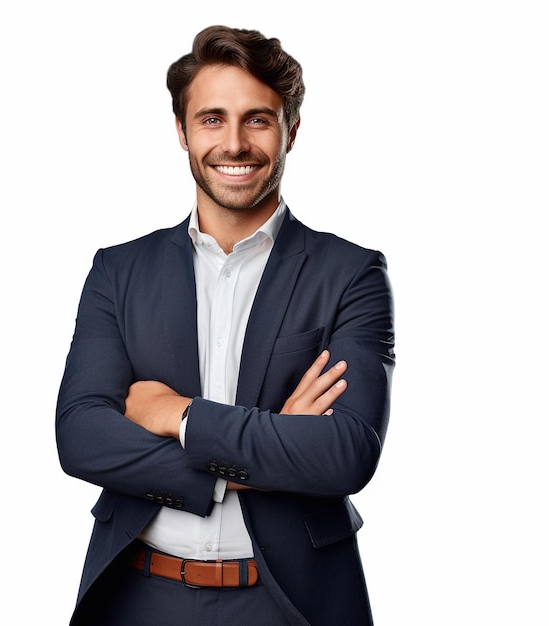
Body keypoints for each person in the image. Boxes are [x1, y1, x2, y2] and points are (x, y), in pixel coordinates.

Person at [56, 24, 395, 626]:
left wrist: (180, 416)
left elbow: (345, 454)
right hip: (138, 596)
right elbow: (81, 437)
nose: (234, 143)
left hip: (290, 600)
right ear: (182, 132)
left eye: (257, 120)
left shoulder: (351, 274)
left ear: (291, 130)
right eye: (212, 119)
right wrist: (266, 451)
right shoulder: (118, 270)